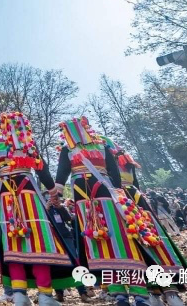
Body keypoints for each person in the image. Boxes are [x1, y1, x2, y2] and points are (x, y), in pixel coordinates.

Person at [0, 112, 74, 306]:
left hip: (6, 198)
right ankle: (44, 295)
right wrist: (53, 194)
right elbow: (43, 171)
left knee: (13, 244)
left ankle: (19, 294)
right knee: (39, 243)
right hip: (30, 195)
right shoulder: (28, 145)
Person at [55, 117, 150, 306]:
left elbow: (61, 177)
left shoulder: (68, 150)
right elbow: (115, 177)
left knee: (98, 242)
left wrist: (54, 197)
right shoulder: (102, 147)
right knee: (121, 239)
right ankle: (138, 292)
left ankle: (118, 291)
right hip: (108, 196)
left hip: (84, 202)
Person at [102, 137, 186, 306]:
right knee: (151, 242)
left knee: (130, 246)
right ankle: (168, 291)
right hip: (136, 200)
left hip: (117, 200)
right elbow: (136, 185)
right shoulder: (126, 161)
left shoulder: (104, 162)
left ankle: (152, 292)